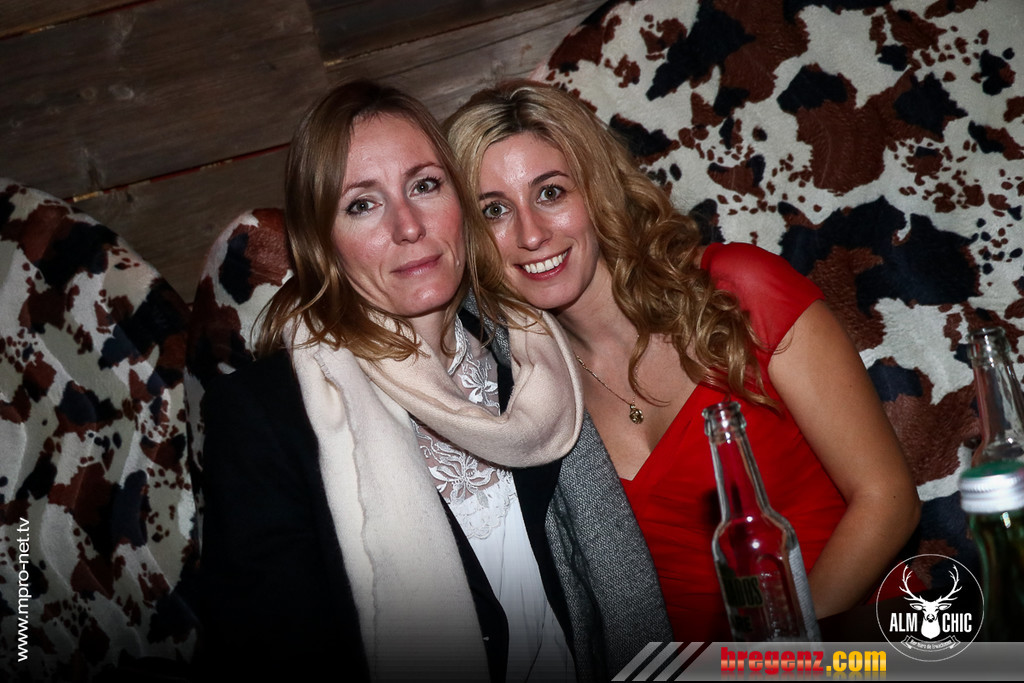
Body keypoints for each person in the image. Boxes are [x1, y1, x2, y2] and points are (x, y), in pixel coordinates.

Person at [196, 80, 670, 681]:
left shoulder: (533, 357)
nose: (409, 226)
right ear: (322, 241)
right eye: (362, 205)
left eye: (424, 186)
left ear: (461, 204)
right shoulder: (264, 416)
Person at [445, 79, 923, 641]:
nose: (531, 234)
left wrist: (787, 653)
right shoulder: (527, 396)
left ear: (597, 191)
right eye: (494, 211)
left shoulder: (738, 292)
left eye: (550, 193)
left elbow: (887, 500)